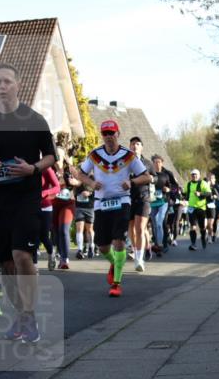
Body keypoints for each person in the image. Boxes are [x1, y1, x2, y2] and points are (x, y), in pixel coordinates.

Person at [0, 64, 57, 343]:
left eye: (7, 81)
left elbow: (50, 156)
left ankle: (29, 315)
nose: (1, 87)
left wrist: (33, 168)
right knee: (6, 263)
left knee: (22, 255)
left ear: (18, 85)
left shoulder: (34, 119)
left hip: (25, 197)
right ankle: (22, 315)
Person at [75, 119, 150, 297]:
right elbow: (80, 174)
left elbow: (147, 177)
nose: (109, 136)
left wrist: (131, 182)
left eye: (111, 133)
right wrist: (91, 183)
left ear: (118, 134)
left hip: (122, 201)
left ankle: (116, 283)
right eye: (105, 133)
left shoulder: (128, 155)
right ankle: (115, 263)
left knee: (119, 242)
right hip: (101, 203)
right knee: (102, 246)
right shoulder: (95, 155)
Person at [127, 136, 153, 272]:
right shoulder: (124, 162)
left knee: (140, 228)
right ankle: (135, 250)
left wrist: (151, 178)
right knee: (131, 229)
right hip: (128, 199)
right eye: (132, 144)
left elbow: (155, 177)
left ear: (142, 147)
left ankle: (139, 259)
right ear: (129, 147)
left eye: (137, 144)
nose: (135, 146)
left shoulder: (147, 163)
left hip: (143, 198)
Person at [148, 155, 177, 256]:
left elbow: (175, 187)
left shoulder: (167, 174)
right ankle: (157, 244)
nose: (157, 164)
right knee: (155, 224)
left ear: (162, 163)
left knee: (160, 221)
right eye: (155, 162)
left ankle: (162, 244)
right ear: (152, 163)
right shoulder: (149, 174)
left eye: (159, 162)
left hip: (164, 201)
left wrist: (169, 189)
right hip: (153, 202)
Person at [52, 157, 77, 270]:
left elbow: (81, 180)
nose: (58, 159)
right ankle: (60, 253)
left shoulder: (70, 169)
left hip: (68, 203)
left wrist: (75, 182)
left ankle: (64, 259)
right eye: (56, 156)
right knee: (56, 231)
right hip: (53, 204)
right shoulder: (49, 169)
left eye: (60, 156)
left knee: (64, 229)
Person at [183, 168, 211, 251]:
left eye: (196, 175)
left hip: (201, 208)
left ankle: (203, 237)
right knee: (193, 226)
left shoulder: (203, 183)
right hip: (191, 207)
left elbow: (209, 193)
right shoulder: (188, 184)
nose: (194, 176)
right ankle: (193, 244)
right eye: (193, 175)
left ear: (199, 175)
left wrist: (200, 193)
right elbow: (185, 193)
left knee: (202, 227)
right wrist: (184, 199)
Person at [73, 178, 95, 259]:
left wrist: (89, 193)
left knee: (89, 229)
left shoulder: (93, 177)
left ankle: (91, 247)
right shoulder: (77, 178)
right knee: (79, 228)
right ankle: (80, 250)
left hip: (90, 207)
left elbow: (98, 190)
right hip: (79, 207)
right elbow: (72, 189)